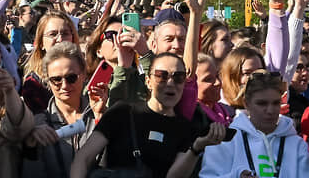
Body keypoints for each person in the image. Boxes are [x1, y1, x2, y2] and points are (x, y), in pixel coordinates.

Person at [70, 52, 226, 178]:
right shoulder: (122, 112)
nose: (170, 83)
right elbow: (83, 158)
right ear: (148, 81)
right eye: (161, 76)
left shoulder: (185, 127)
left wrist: (196, 148)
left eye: (178, 78)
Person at [200, 70, 309, 178]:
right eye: (262, 104)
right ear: (246, 103)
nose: (270, 110)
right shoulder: (226, 141)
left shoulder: (297, 145)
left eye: (276, 103)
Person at [22, 42, 108, 177]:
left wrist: (100, 118)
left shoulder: (102, 114)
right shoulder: (38, 123)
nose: (64, 85)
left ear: (84, 74)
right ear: (48, 82)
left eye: (71, 78)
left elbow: (110, 165)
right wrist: (30, 146)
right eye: (56, 79)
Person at [21, 11, 79, 114]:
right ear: (41, 42)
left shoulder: (84, 73)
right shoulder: (33, 83)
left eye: (65, 33)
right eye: (53, 34)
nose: (60, 39)